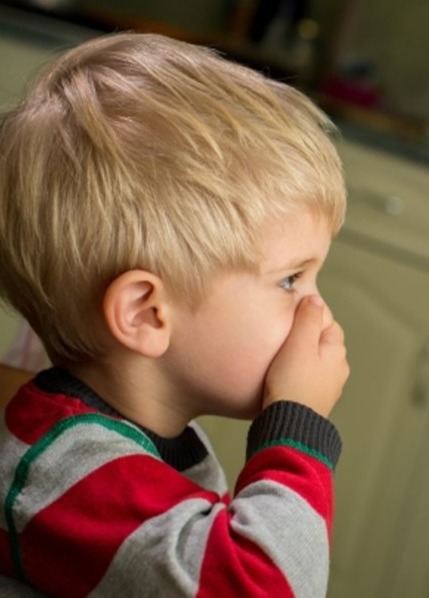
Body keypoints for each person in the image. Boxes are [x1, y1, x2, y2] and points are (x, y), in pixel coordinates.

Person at [0, 31, 348, 597]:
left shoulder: (137, 440)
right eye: (290, 279)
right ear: (146, 313)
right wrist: (297, 425)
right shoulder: (69, 474)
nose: (317, 310)